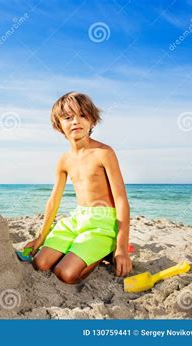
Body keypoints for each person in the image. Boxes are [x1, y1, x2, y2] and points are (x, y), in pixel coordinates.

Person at [24, 92, 132, 284]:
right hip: (76, 220)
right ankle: (81, 249)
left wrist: (122, 248)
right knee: (40, 263)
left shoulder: (103, 153)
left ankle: (108, 249)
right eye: (68, 117)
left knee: (65, 273)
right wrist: (41, 237)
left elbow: (121, 199)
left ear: (92, 121)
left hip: (102, 223)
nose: (76, 121)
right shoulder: (64, 160)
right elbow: (54, 200)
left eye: (83, 115)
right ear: (59, 125)